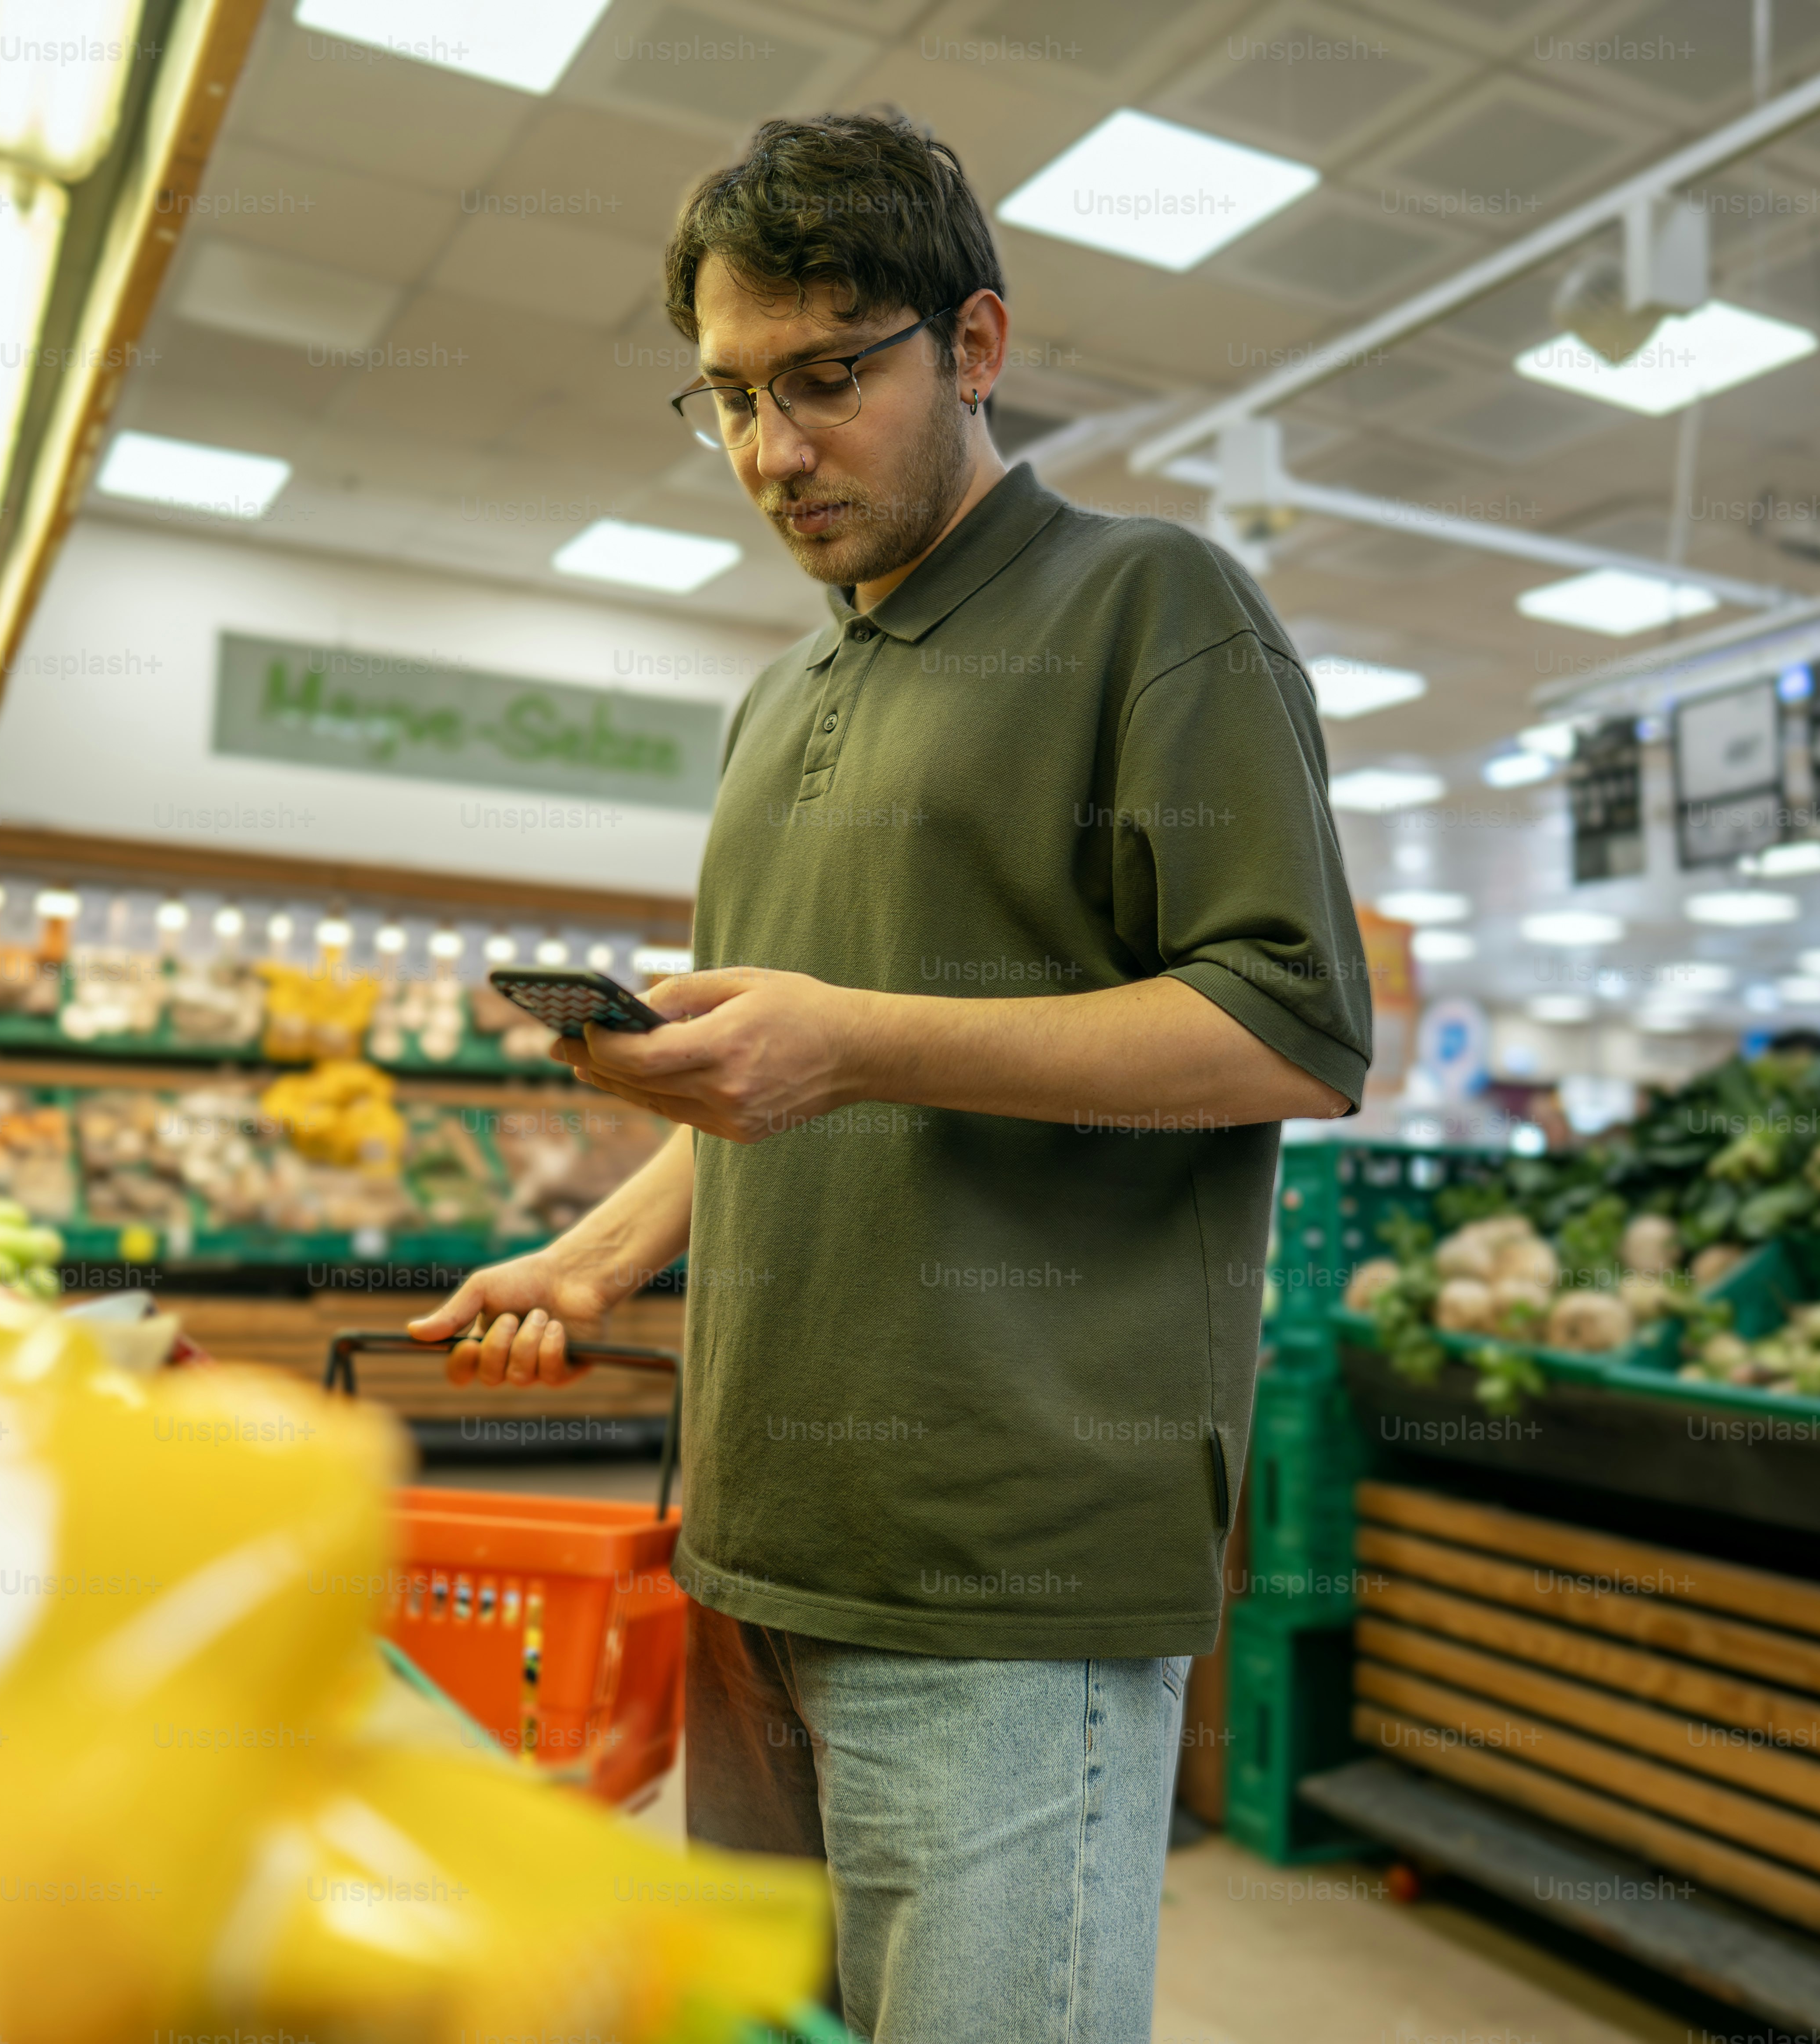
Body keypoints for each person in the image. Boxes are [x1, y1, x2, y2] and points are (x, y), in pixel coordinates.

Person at [411, 108, 1374, 2043]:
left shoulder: (1155, 609)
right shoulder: (782, 698)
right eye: (731, 398)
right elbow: (775, 1093)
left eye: (828, 380)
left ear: (979, 345)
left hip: (1004, 1571)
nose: (773, 452)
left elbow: (1294, 1025)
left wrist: (855, 1035)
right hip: (760, 1537)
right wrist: (593, 1257)